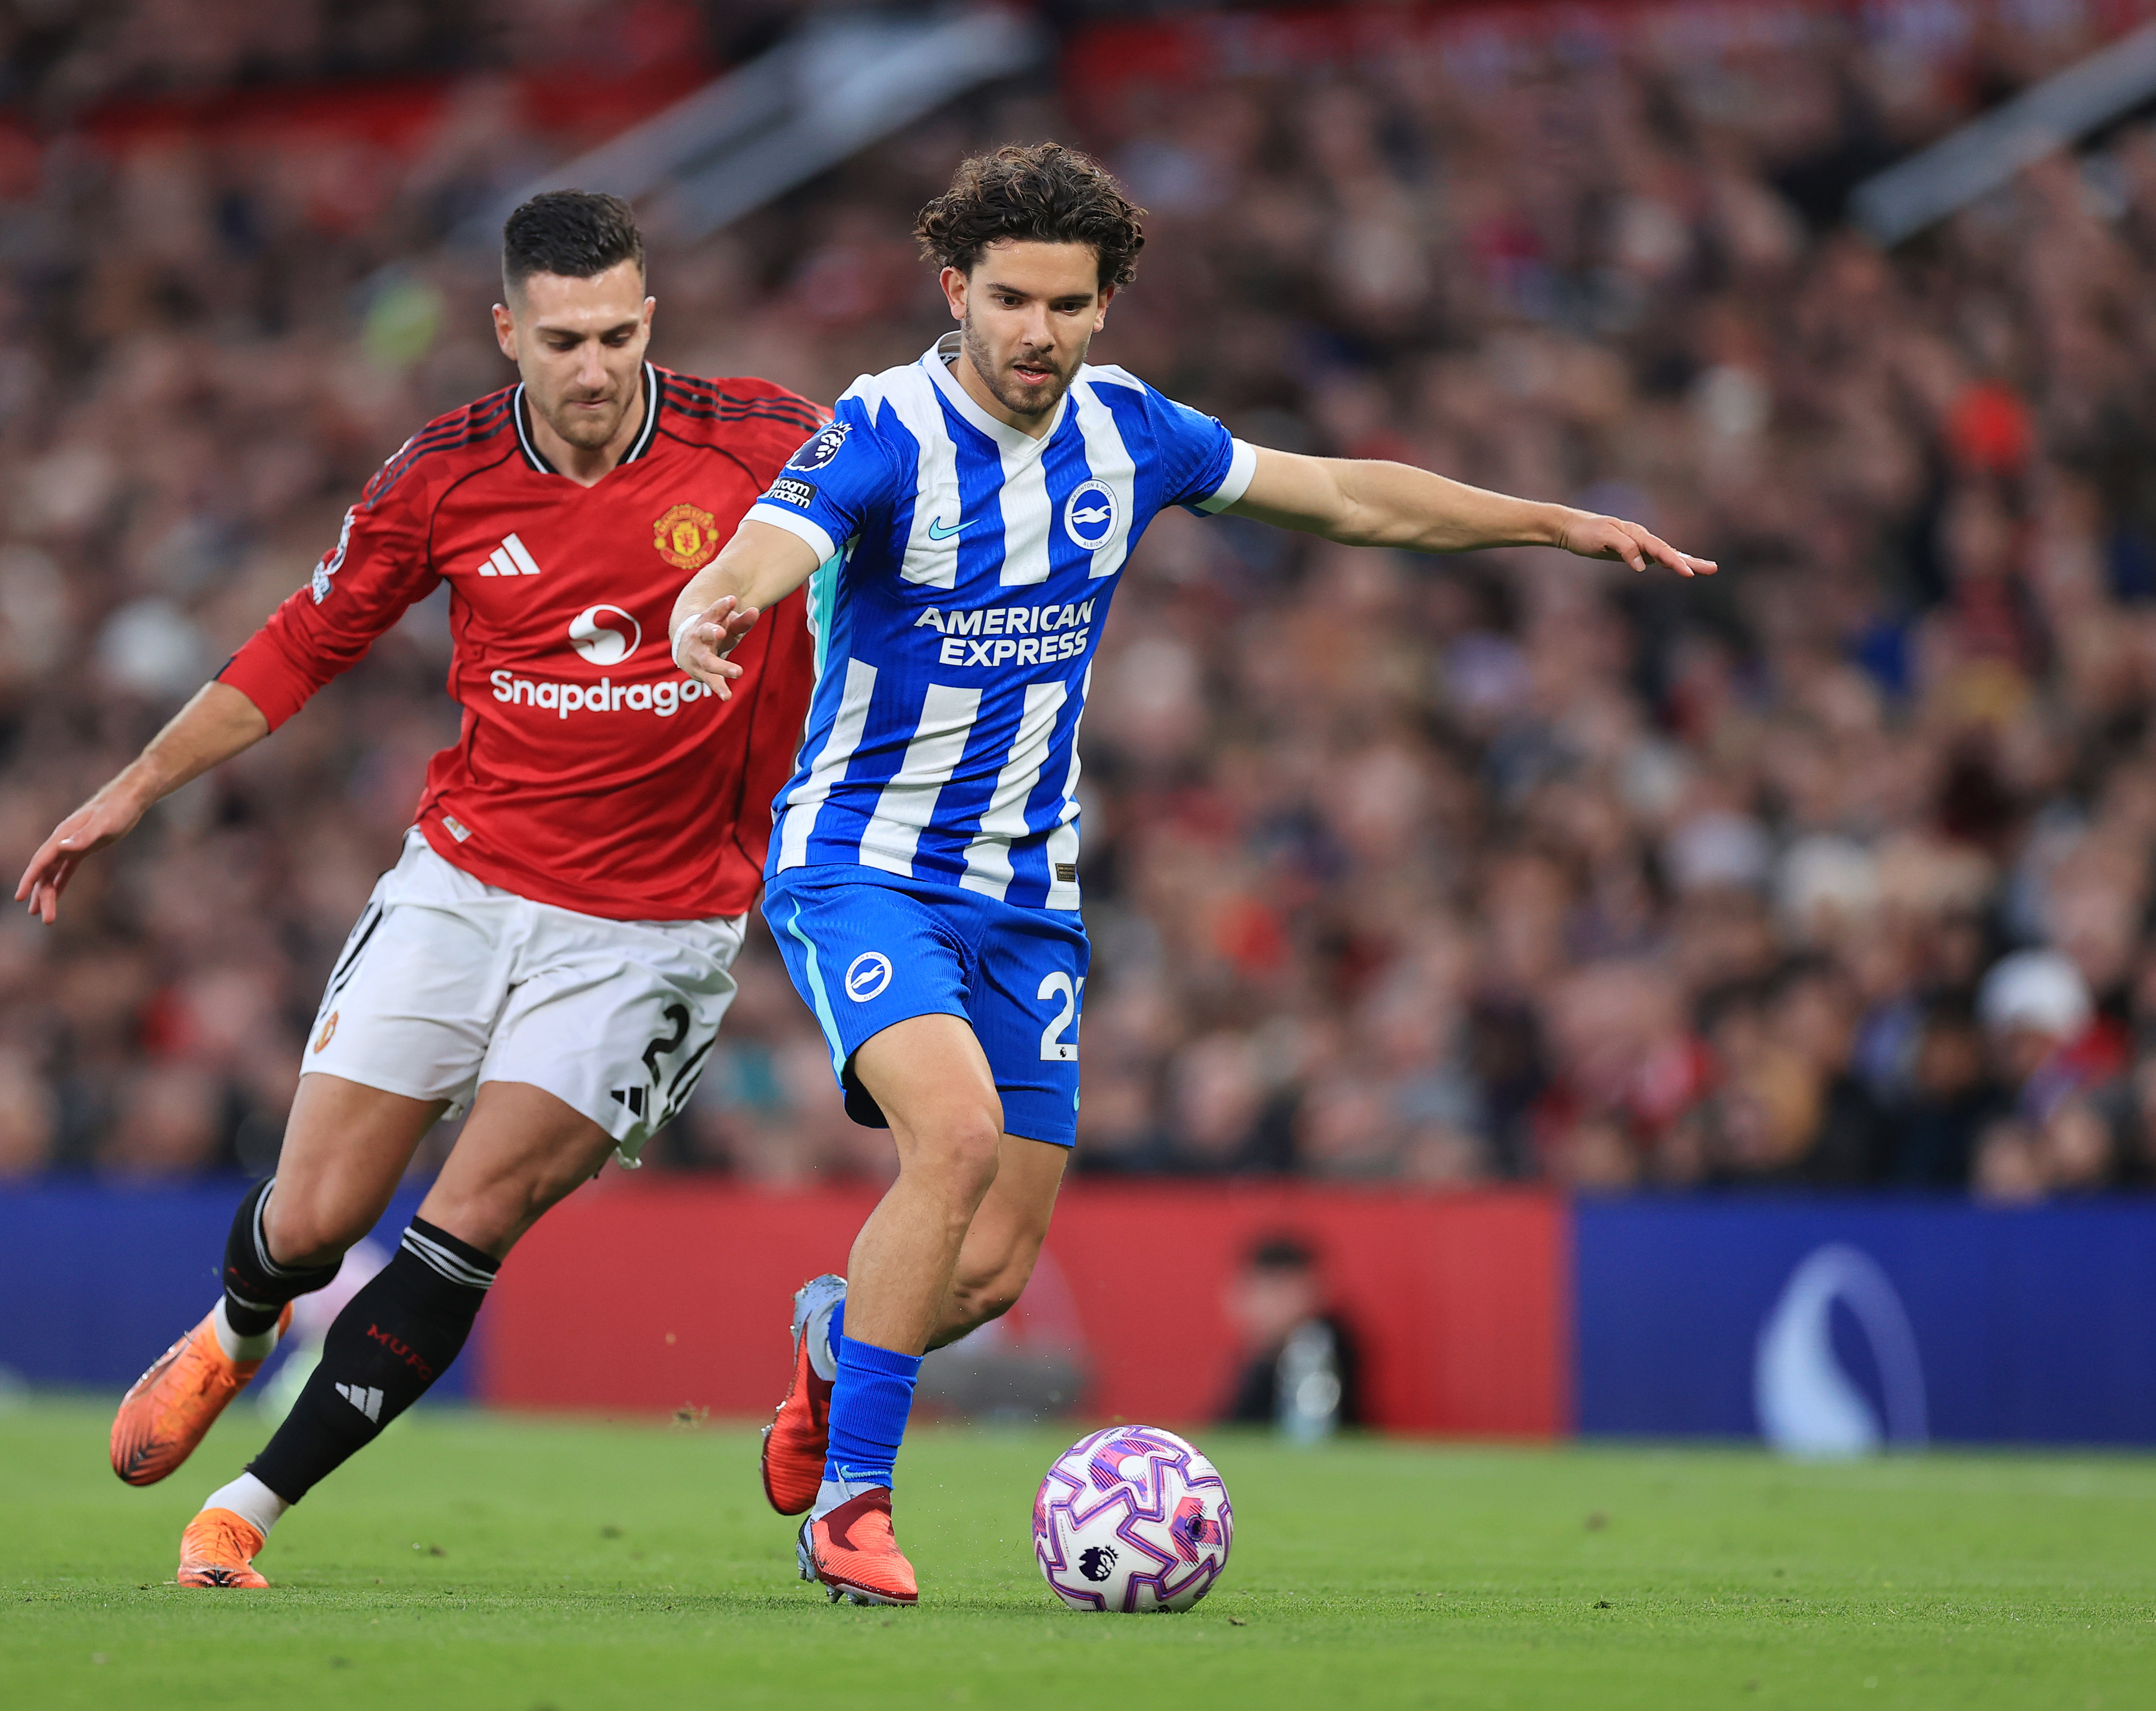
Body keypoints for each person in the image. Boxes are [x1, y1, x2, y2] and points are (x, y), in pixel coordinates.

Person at [668, 142, 1715, 1606]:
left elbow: (1345, 496)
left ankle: (840, 1341)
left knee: (987, 1273)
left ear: (1107, 308)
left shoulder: (1131, 432)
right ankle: (854, 1501)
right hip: (864, 867)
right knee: (950, 1140)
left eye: (1070, 305)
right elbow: (772, 540)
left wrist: (1549, 521)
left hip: (1029, 896)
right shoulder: (882, 428)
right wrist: (715, 603)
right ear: (955, 291)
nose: (1039, 331)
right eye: (1013, 299)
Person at [14, 191, 823, 1589]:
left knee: (472, 1215)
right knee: (316, 1215)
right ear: (508, 331)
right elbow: (299, 645)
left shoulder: (768, 443)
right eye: (563, 339)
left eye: (619, 334)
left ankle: (245, 1513)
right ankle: (237, 1327)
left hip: (655, 928)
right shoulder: (441, 475)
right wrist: (132, 789)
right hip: (465, 886)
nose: (594, 367)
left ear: (652, 321)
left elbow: (926, 513)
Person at [1217, 1235, 1360, 1437]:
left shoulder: (1316, 1344)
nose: (1258, 1307)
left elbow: (1308, 1430)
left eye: (1271, 1293)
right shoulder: (1261, 1357)